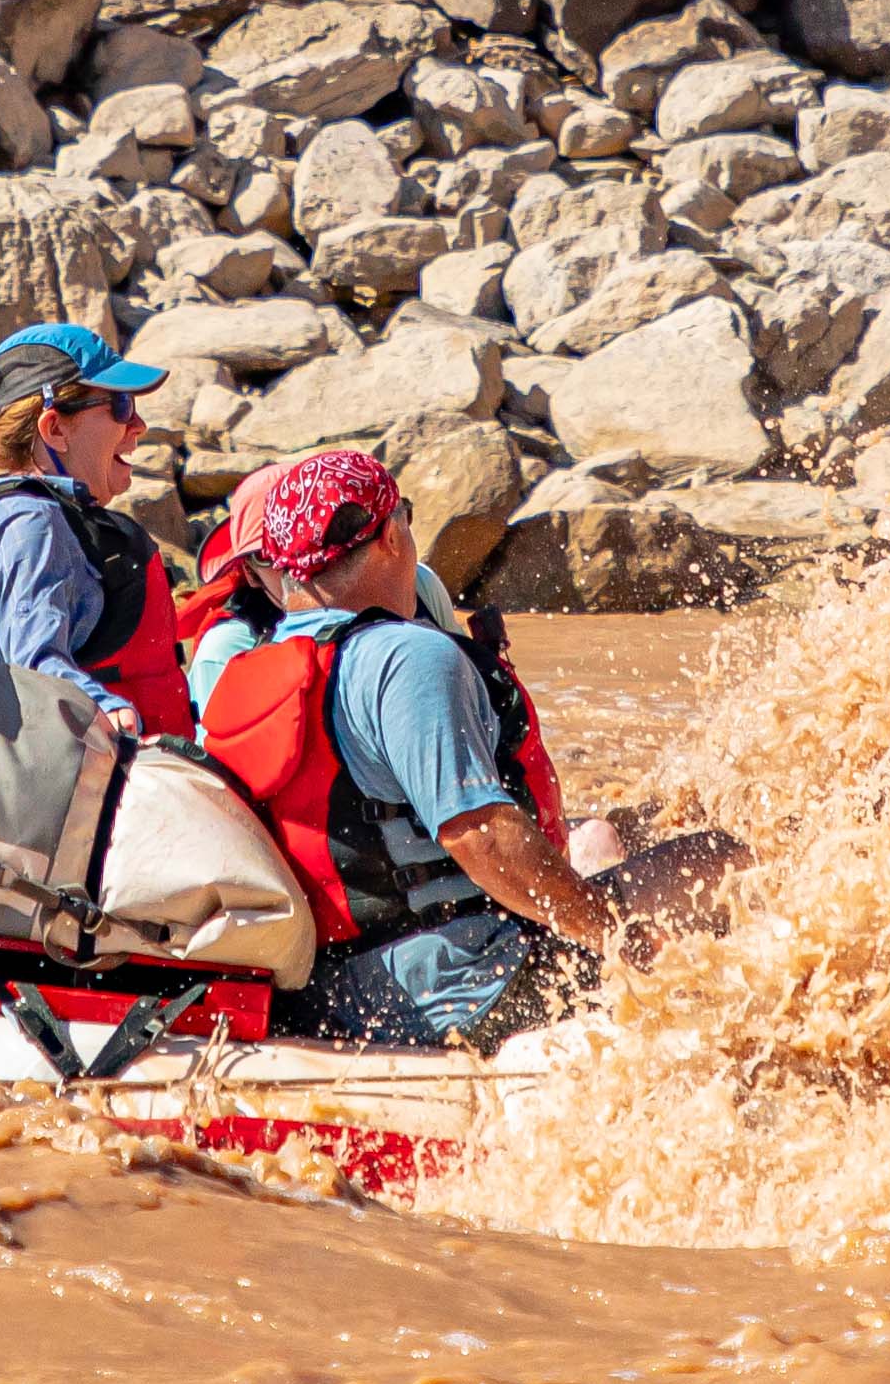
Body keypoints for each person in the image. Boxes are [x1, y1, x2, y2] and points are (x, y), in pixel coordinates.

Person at [193, 442, 626, 1049]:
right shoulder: (406, 656)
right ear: (391, 536)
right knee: (716, 860)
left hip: (336, 990)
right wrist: (618, 942)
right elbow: (482, 838)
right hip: (461, 981)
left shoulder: (245, 666)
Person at [0, 322, 195, 741]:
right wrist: (107, 707)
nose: (138, 425)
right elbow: (32, 663)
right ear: (55, 429)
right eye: (121, 406)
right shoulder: (29, 524)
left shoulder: (37, 517)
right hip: (59, 791)